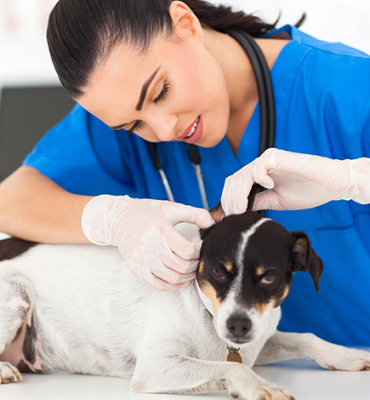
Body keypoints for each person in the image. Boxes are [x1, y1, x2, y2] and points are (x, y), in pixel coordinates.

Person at [0, 0, 369, 346]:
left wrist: (352, 179)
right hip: (256, 376)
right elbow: (11, 201)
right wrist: (108, 218)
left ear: (186, 22)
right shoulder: (124, 113)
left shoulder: (348, 87)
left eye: (161, 92)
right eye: (133, 124)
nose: (163, 131)